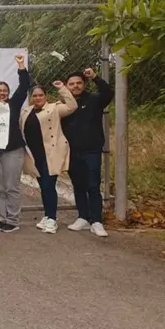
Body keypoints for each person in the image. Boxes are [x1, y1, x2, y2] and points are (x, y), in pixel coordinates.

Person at [62, 68, 114, 237]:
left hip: (91, 150)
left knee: (93, 184)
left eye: (79, 83)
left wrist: (95, 77)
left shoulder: (94, 100)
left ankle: (96, 221)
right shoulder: (63, 105)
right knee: (78, 185)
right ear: (66, 86)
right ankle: (83, 217)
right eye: (72, 84)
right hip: (71, 152)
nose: (75, 86)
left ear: (84, 84)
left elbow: (108, 93)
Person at [20, 82, 77, 233]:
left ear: (46, 96)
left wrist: (62, 89)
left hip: (51, 154)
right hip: (34, 155)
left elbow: (72, 106)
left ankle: (52, 218)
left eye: (41, 95)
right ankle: (47, 215)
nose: (38, 98)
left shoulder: (55, 108)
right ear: (31, 97)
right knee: (43, 187)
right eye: (35, 95)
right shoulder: (26, 111)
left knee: (48, 186)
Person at [0, 55, 31, 233]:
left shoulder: (14, 103)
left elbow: (25, 85)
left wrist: (21, 66)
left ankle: (12, 219)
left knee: (12, 186)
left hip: (13, 150)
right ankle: (1, 218)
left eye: (5, 90)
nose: (2, 93)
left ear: (8, 92)